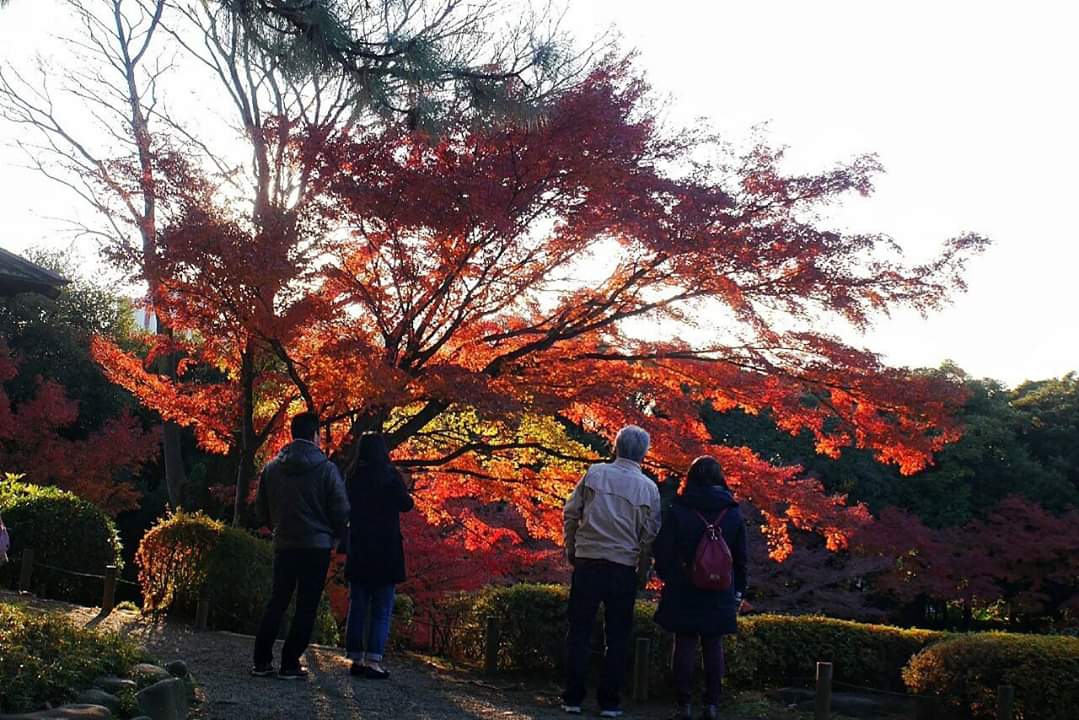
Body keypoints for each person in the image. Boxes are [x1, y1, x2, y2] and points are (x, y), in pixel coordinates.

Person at [562, 425, 662, 718]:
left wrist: (573, 548)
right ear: (644, 452)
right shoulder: (649, 488)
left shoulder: (595, 474)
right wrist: (642, 573)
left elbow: (571, 513)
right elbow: (649, 537)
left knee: (579, 631)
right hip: (623, 567)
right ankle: (610, 702)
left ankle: (573, 698)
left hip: (589, 560)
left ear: (615, 446)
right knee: (617, 636)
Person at [252, 412, 349, 680]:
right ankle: (290, 663)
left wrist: (277, 526)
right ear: (315, 434)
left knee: (277, 601)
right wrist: (336, 536)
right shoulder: (327, 469)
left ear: (293, 433)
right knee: (306, 606)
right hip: (316, 546)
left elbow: (260, 511)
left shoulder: (272, 468)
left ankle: (261, 660)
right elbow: (341, 510)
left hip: (284, 543)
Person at [653, 456, 748, 720]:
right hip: (720, 588)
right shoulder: (733, 512)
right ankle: (712, 705)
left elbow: (662, 550)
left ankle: (683, 705)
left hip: (684, 586)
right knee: (713, 644)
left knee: (684, 643)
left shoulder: (679, 509)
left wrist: (671, 576)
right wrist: (738, 589)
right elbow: (741, 557)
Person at [343, 431, 414, 679]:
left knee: (358, 605)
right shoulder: (389, 476)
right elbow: (406, 505)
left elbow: (344, 508)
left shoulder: (351, 477)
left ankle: (355, 657)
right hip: (386, 549)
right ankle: (373, 660)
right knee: (382, 608)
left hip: (360, 546)